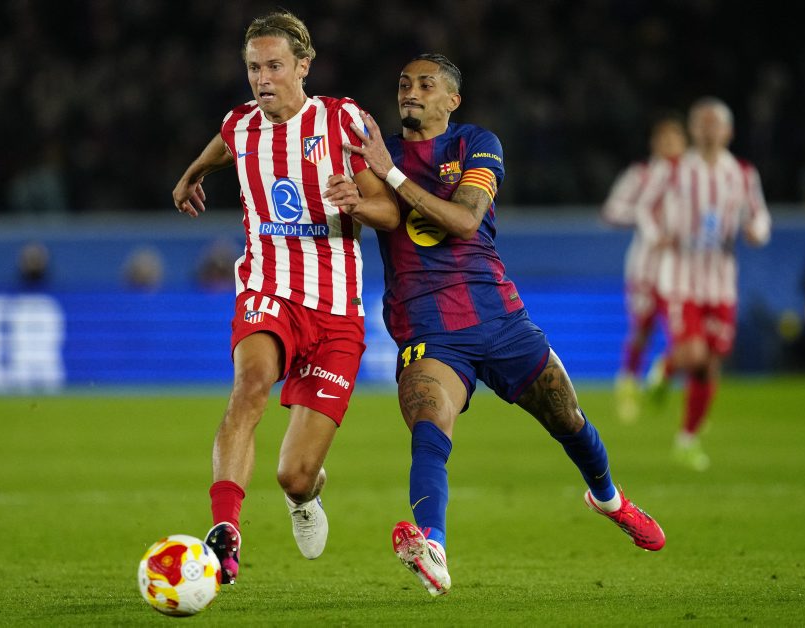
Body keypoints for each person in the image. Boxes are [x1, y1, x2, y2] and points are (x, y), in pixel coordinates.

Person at [329, 54, 665, 597]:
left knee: (568, 417)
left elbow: (464, 220)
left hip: (499, 316)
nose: (410, 92)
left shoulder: (476, 143)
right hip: (426, 325)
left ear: (452, 100)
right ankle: (432, 546)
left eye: (425, 85)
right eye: (404, 84)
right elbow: (381, 212)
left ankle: (609, 500)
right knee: (429, 425)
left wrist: (389, 175)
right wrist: (355, 199)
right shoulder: (377, 152)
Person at [171, 11, 398, 585]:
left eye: (274, 66)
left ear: (303, 66)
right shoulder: (241, 125)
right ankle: (225, 531)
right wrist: (193, 173)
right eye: (253, 67)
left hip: (336, 310)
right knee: (249, 387)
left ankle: (306, 495)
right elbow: (224, 145)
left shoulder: (343, 121)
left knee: (294, 475)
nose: (262, 78)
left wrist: (358, 203)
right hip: (267, 291)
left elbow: (391, 212)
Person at [633, 97, 772, 471]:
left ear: (729, 131)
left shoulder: (742, 173)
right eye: (703, 123)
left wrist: (756, 232)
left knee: (709, 363)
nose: (710, 130)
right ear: (694, 130)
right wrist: (656, 235)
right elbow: (644, 207)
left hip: (721, 281)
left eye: (716, 123)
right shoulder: (675, 168)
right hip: (681, 276)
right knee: (693, 354)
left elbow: (760, 215)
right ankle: (665, 368)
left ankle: (687, 439)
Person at [602, 114, 688, 422]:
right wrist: (644, 220)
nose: (670, 145)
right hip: (647, 265)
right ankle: (628, 384)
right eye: (664, 139)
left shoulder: (694, 177)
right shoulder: (640, 175)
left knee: (686, 332)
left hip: (684, 267)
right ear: (654, 143)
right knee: (643, 328)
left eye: (675, 139)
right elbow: (612, 211)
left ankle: (663, 373)